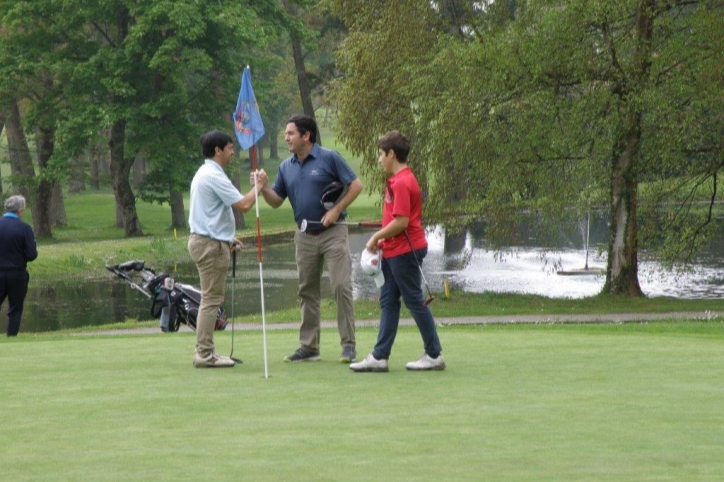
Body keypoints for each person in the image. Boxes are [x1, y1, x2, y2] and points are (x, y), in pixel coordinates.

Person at [255, 114, 363, 363]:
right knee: (306, 291)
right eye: (285, 133)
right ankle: (309, 347)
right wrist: (263, 188)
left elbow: (356, 185)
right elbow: (276, 201)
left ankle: (348, 345)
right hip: (304, 235)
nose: (286, 137)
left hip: (333, 232)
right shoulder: (286, 166)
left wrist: (336, 210)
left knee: (340, 286)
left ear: (306, 135)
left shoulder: (329, 157)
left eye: (291, 133)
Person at [349, 130, 445, 372]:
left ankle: (434, 355)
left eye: (381, 154)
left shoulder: (402, 182)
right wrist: (383, 240)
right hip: (395, 249)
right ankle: (380, 356)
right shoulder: (398, 180)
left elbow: (402, 221)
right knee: (389, 301)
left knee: (413, 301)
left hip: (405, 250)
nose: (379, 159)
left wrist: (376, 236)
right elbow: (397, 221)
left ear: (392, 154)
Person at [188, 130, 266, 368]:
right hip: (209, 244)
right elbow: (243, 204)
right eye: (230, 148)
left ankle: (205, 350)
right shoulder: (213, 175)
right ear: (218, 151)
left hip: (209, 240)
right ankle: (204, 353)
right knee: (211, 300)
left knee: (210, 299)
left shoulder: (206, 173)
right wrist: (260, 186)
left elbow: (209, 215)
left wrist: (227, 238)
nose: (233, 152)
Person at [0, 195, 38, 337]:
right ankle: (11, 336)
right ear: (20, 210)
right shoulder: (25, 228)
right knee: (15, 308)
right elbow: (32, 254)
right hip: (17, 273)